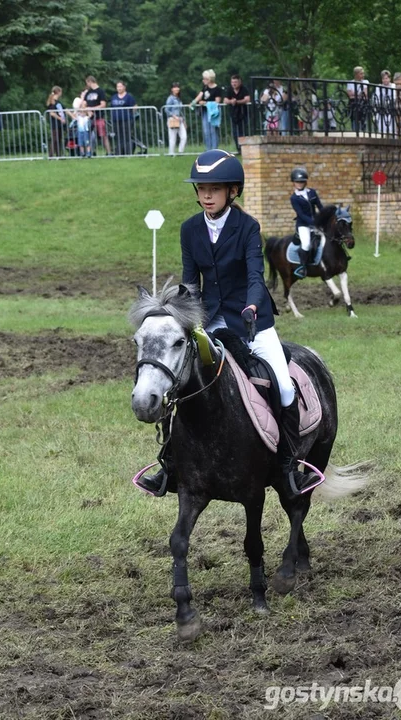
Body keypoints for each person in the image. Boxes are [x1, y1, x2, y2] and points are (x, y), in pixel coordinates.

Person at [135, 149, 320, 498]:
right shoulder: (189, 229)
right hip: (209, 321)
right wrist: (182, 310)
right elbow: (191, 282)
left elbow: (255, 274)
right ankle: (170, 466)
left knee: (282, 386)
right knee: (183, 382)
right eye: (202, 188)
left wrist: (252, 304)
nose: (206, 195)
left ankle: (288, 468)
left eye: (215, 188)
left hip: (252, 320)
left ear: (233, 191)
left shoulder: (248, 227)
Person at [290, 167, 323, 278]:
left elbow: (319, 206)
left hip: (316, 223)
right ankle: (302, 267)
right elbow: (301, 214)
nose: (299, 184)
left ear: (305, 182)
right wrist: (313, 222)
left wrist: (324, 217)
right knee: (306, 243)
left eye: (302, 182)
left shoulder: (312, 192)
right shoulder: (294, 198)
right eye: (297, 182)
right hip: (303, 225)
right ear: (294, 183)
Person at [192, 69, 222, 151]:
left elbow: (217, 101)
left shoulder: (217, 89)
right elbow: (199, 96)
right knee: (206, 132)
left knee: (213, 131)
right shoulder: (205, 88)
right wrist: (193, 102)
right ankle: (208, 149)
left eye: (205, 79)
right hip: (205, 112)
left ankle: (214, 149)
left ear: (209, 79)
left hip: (213, 113)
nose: (203, 80)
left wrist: (205, 103)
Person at [82, 75, 112, 155]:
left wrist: (92, 108)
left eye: (87, 83)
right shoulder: (88, 92)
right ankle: (89, 152)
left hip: (99, 117)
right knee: (88, 135)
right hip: (90, 118)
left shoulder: (100, 91)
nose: (87, 85)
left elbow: (103, 104)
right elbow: (84, 104)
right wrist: (88, 110)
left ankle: (108, 152)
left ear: (90, 81)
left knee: (103, 135)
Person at [224, 74, 250, 153]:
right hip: (233, 114)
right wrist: (231, 101)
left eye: (235, 82)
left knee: (243, 132)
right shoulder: (229, 90)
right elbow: (225, 100)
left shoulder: (244, 89)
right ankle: (238, 149)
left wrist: (237, 102)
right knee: (235, 132)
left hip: (243, 114)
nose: (234, 84)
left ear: (239, 82)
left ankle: (244, 148)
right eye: (232, 82)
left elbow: (247, 99)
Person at [109, 80, 137, 155]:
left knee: (126, 136)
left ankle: (128, 152)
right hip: (116, 120)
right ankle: (119, 152)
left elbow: (134, 106)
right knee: (118, 136)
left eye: (120, 86)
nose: (119, 88)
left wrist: (130, 114)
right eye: (117, 87)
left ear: (124, 87)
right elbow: (111, 107)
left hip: (126, 120)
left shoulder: (129, 97)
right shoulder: (114, 97)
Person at [165, 82, 187, 155]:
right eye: (175, 87)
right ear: (172, 89)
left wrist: (183, 120)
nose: (177, 89)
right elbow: (167, 109)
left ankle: (181, 151)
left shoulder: (179, 98)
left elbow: (181, 111)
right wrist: (174, 116)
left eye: (178, 87)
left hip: (180, 119)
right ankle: (171, 153)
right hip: (172, 119)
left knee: (184, 136)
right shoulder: (170, 99)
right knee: (172, 137)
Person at [373, 70, 396, 135]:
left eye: (386, 78)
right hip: (381, 108)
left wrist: (388, 103)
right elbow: (377, 98)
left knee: (392, 128)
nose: (385, 80)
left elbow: (394, 97)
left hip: (391, 108)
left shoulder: (393, 86)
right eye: (383, 78)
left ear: (389, 78)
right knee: (381, 128)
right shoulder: (378, 87)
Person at [346, 66, 369, 133]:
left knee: (363, 120)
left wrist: (354, 94)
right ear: (356, 74)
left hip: (363, 103)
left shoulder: (366, 81)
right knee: (354, 120)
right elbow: (350, 96)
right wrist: (359, 94)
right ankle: (354, 133)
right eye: (361, 74)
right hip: (353, 104)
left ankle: (364, 133)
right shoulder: (350, 83)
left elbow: (365, 94)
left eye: (363, 73)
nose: (363, 75)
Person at [46, 86, 66, 158]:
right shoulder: (52, 102)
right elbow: (52, 113)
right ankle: (51, 155)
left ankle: (58, 155)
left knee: (58, 139)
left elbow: (64, 109)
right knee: (54, 140)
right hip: (55, 124)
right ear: (58, 92)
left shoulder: (58, 102)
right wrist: (60, 118)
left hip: (59, 124)